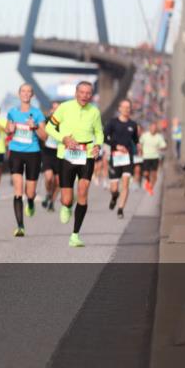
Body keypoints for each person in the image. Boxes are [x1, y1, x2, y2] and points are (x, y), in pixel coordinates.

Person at [46, 81, 103, 248]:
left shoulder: (94, 112)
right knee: (67, 197)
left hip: (87, 153)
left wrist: (98, 145)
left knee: (83, 190)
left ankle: (75, 234)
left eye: (88, 93)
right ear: (76, 93)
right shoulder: (64, 107)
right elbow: (49, 127)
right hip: (67, 154)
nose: (85, 96)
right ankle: (66, 205)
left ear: (91, 95)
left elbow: (99, 133)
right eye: (82, 92)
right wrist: (63, 138)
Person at [5, 84, 46, 237]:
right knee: (18, 190)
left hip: (33, 153)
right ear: (19, 94)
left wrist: (35, 127)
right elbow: (7, 129)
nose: (26, 94)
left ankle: (30, 202)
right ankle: (20, 226)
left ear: (32, 95)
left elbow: (45, 136)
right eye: (23, 91)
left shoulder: (37, 113)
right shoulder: (12, 112)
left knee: (30, 192)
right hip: (15, 151)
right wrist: (9, 129)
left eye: (29, 91)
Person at [104, 99, 139, 219]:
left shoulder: (133, 125)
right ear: (119, 109)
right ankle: (114, 196)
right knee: (114, 188)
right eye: (124, 107)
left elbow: (135, 140)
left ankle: (120, 209)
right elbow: (104, 137)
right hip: (115, 157)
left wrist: (139, 146)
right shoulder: (112, 123)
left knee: (125, 184)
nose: (126, 109)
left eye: (128, 107)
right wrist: (116, 146)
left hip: (127, 158)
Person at [40, 101, 61, 212]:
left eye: (58, 109)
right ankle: (48, 193)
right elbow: (41, 135)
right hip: (48, 152)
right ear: (51, 110)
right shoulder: (46, 121)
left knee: (58, 181)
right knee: (49, 177)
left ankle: (52, 202)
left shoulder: (65, 122)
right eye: (54, 109)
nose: (56, 111)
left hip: (60, 153)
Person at [139, 122, 167, 195]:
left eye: (155, 128)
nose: (153, 129)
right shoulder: (144, 136)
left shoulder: (159, 137)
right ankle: (148, 182)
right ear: (149, 128)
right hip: (146, 157)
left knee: (154, 174)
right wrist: (140, 150)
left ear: (156, 129)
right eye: (152, 128)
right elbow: (140, 144)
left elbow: (164, 146)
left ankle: (151, 187)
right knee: (145, 173)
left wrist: (162, 147)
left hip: (155, 157)